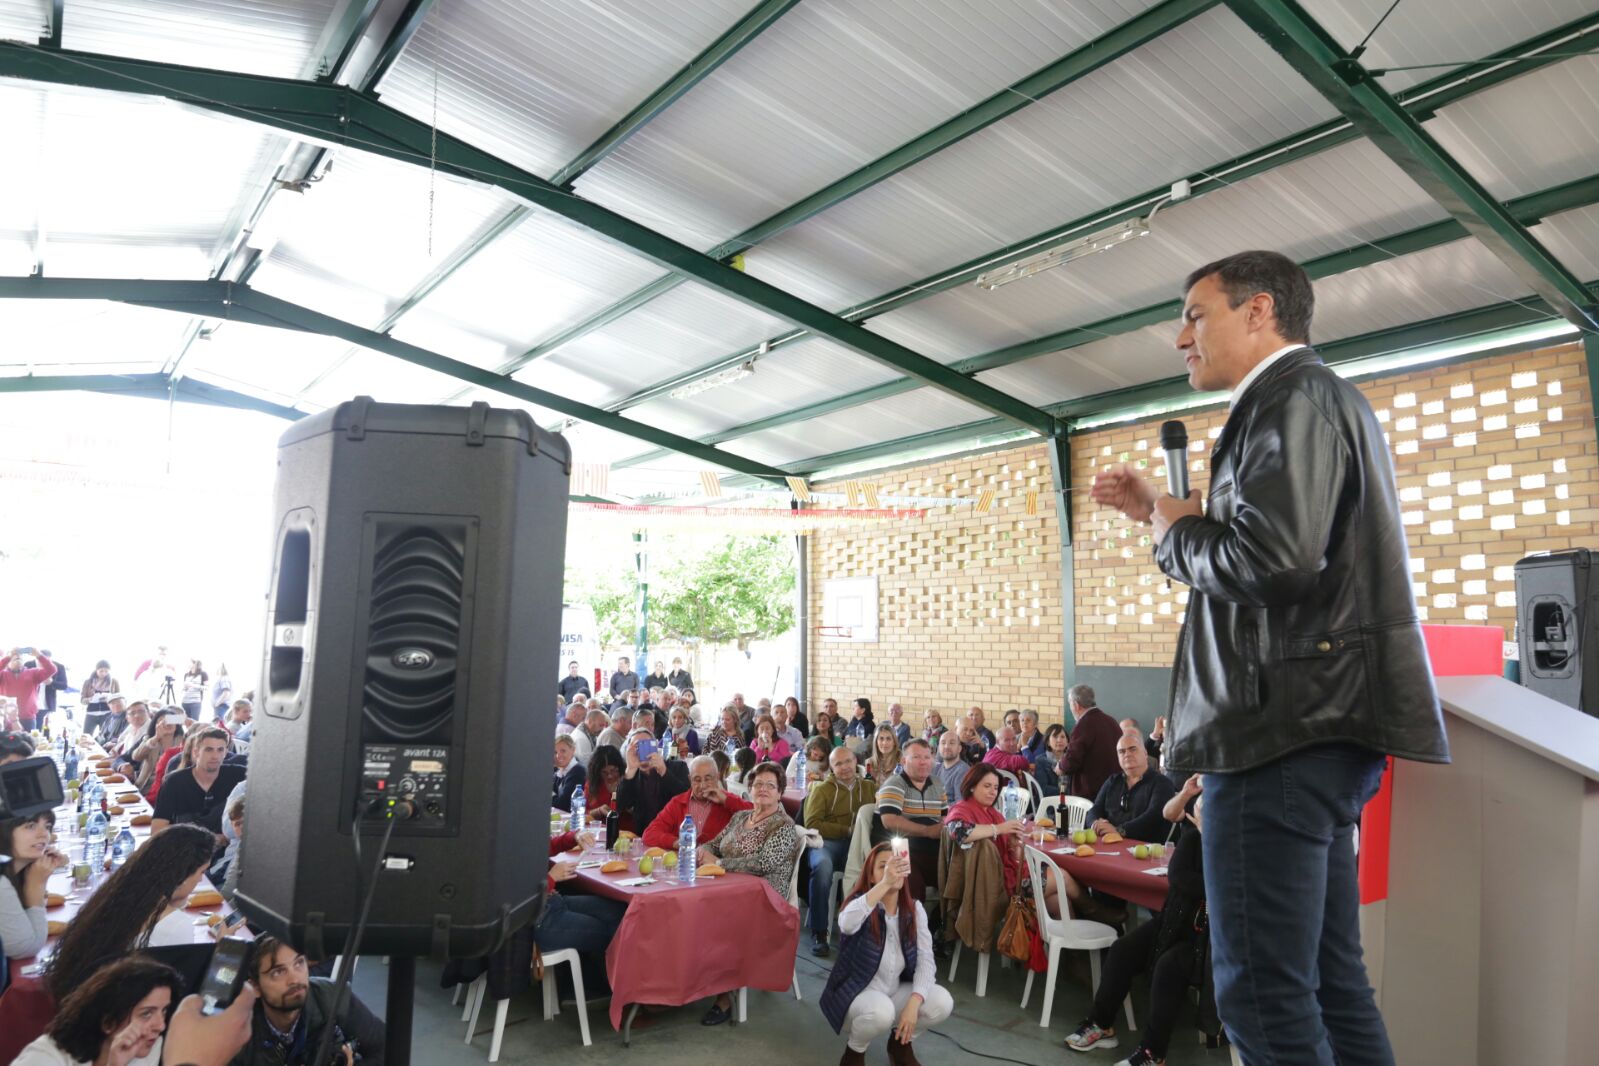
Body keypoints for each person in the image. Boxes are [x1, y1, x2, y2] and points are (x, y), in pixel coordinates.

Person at [1090, 250, 1449, 1065]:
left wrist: (1178, 531)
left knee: (1258, 992)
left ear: (1258, 311)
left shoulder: (1292, 399)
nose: (1178, 335)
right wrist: (1163, 513)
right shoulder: (1305, 402)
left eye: (1193, 313)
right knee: (1327, 982)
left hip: (1275, 735)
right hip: (1306, 730)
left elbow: (1274, 562)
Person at [1066, 776, 1210, 1063]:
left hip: (1207, 938)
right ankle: (1101, 1023)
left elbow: (1221, 886)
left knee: (1168, 968)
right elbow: (1178, 877)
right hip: (1172, 923)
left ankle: (1152, 1053)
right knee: (1122, 950)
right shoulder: (1193, 838)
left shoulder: (1235, 848)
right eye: (1203, 810)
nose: (1204, 815)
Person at [44, 825, 218, 999]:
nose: (201, 879)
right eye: (201, 871)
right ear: (182, 874)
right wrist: (219, 950)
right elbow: (180, 994)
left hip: (85, 1001)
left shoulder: (118, 896)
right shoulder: (176, 924)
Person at [821, 841, 954, 1066]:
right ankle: (854, 1052)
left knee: (941, 1001)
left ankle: (900, 1044)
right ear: (871, 876)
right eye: (883, 866)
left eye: (896, 864)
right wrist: (884, 885)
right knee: (881, 1012)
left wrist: (914, 1003)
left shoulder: (915, 909)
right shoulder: (861, 905)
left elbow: (926, 962)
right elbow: (846, 923)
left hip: (893, 992)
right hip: (857, 996)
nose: (891, 870)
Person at [696, 761, 799, 1026]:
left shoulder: (783, 825)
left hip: (765, 899)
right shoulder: (740, 817)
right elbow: (714, 843)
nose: (763, 789)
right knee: (692, 907)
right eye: (758, 784)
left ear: (779, 793)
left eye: (770, 786)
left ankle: (724, 996)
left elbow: (763, 864)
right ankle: (695, 980)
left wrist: (719, 863)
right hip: (728, 889)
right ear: (749, 789)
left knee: (715, 920)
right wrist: (702, 852)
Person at [230, 936, 386, 1066]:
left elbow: (386, 1047)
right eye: (278, 972)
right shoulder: (237, 1030)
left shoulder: (333, 996)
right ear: (255, 988)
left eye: (299, 963)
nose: (294, 979)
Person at [13, 956, 182, 1066]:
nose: (160, 1026)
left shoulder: (148, 1047)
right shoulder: (45, 1059)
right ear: (108, 1022)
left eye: (164, 1011)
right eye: (146, 1014)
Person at [802, 746, 876, 957]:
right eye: (838, 764)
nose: (844, 767)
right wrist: (847, 829)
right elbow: (812, 823)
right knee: (822, 867)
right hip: (828, 843)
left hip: (858, 844)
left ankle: (865, 932)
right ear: (832, 768)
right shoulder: (822, 790)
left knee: (876, 866)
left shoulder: (870, 788)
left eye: (848, 762)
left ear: (856, 763)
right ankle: (819, 932)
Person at [872, 740, 944, 901]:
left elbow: (944, 817)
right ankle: (911, 921)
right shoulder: (894, 784)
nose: (923, 761)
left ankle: (944, 919)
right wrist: (928, 831)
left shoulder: (938, 784)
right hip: (899, 849)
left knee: (960, 872)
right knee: (910, 879)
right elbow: (889, 821)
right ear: (904, 761)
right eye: (917, 757)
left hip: (932, 849)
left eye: (927, 757)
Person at [151, 726, 245, 849]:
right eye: (209, 750)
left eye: (220, 750)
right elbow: (157, 830)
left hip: (224, 853)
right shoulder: (174, 782)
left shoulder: (238, 775)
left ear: (226, 753)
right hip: (184, 850)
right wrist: (210, 839)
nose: (215, 756)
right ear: (195, 752)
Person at [640, 754, 751, 850]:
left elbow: (758, 814)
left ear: (717, 777)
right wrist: (678, 842)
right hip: (685, 863)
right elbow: (649, 834)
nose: (702, 785)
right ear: (690, 780)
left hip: (716, 865)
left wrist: (726, 800)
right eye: (697, 780)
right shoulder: (678, 802)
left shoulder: (727, 800)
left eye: (708, 779)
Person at [1086, 732, 1177, 844]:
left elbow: (1154, 817)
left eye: (1132, 749)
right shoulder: (1112, 781)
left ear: (1145, 753)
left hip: (1146, 850)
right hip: (1108, 844)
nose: (1127, 754)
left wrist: (1119, 831)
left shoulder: (1162, 783)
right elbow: (1094, 809)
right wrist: (1095, 823)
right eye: (1121, 751)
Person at [1, 809, 66, 959]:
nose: (43, 834)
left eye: (47, 826)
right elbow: (26, 948)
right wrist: (36, 885)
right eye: (30, 826)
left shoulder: (13, 871)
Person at [616, 729, 688, 836]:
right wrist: (630, 769)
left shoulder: (678, 767)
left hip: (672, 835)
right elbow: (621, 804)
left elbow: (685, 798)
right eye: (637, 746)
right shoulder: (631, 774)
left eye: (647, 745)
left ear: (655, 747)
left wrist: (663, 771)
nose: (642, 750)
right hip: (643, 836)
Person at [1060, 685, 1122, 801]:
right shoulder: (1111, 721)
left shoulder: (1083, 725)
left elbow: (1071, 761)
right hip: (1114, 789)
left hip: (1089, 794)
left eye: (1070, 704)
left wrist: (1060, 766)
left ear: (1076, 705)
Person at [0, 648, 55, 732]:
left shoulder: (33, 673)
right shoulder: (2, 674)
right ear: (8, 660)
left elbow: (52, 670)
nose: (17, 655)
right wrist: (8, 657)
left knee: (29, 744)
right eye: (14, 655)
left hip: (28, 718)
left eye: (20, 655)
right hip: (5, 718)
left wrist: (38, 655)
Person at [132, 709, 184, 794]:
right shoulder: (150, 739)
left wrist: (185, 720)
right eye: (162, 722)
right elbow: (136, 757)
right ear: (156, 725)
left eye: (170, 720)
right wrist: (156, 737)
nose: (167, 724)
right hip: (148, 786)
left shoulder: (183, 741)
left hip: (173, 787)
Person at [582, 744, 629, 832]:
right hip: (597, 832)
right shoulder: (593, 784)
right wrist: (599, 811)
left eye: (613, 770)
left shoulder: (628, 780)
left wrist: (620, 793)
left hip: (624, 833)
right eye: (604, 772)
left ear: (620, 767)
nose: (610, 776)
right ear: (597, 772)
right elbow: (582, 814)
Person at [80, 660, 120, 736]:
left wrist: (109, 699)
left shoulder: (114, 682)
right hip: (91, 714)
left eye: (106, 671)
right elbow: (82, 700)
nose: (103, 673)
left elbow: (118, 699)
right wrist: (90, 699)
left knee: (105, 738)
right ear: (96, 670)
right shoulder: (88, 682)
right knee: (86, 737)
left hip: (107, 714)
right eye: (101, 671)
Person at [1030, 724, 1072, 795]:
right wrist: (1066, 792)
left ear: (1067, 742)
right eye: (1055, 737)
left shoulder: (1072, 760)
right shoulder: (1041, 760)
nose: (1059, 740)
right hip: (1050, 803)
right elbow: (1043, 789)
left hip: (1074, 802)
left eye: (1062, 737)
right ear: (1048, 742)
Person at [550, 735, 585, 812]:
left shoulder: (578, 772)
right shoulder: (558, 771)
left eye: (563, 751)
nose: (558, 756)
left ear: (573, 750)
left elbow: (562, 805)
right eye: (555, 752)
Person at [932, 731, 968, 806]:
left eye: (952, 743)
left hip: (949, 815)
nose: (946, 746)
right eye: (943, 743)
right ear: (938, 748)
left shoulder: (963, 771)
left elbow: (960, 804)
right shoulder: (936, 768)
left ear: (959, 748)